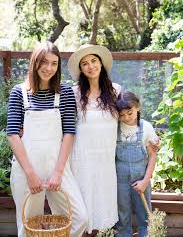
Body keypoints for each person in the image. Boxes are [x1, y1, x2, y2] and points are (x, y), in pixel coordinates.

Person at [7, 41, 88, 237]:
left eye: (54, 63)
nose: (49, 68)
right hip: (26, 171)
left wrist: (58, 173)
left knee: (79, 218)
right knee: (28, 227)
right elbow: (12, 133)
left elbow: (69, 132)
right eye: (44, 62)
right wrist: (30, 174)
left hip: (58, 168)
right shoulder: (19, 93)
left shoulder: (66, 93)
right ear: (35, 62)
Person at [68, 43, 121, 236]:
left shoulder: (116, 90)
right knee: (83, 205)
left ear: (101, 63)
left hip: (106, 158)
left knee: (103, 205)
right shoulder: (74, 93)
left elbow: (129, 118)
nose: (90, 66)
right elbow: (62, 123)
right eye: (85, 64)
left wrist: (147, 135)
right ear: (81, 69)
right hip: (81, 157)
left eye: (93, 61)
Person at [115, 90, 160, 237]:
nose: (126, 117)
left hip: (141, 178)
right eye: (121, 114)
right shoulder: (115, 128)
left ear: (138, 107)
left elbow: (153, 156)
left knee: (144, 213)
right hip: (119, 180)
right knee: (122, 214)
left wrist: (145, 181)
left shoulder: (145, 127)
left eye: (129, 112)